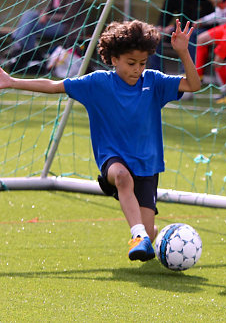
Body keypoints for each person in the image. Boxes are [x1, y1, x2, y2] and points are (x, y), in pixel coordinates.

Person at [0, 19, 201, 262]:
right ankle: (138, 236)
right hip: (112, 161)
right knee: (122, 177)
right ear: (114, 59)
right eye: (130, 63)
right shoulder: (98, 83)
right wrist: (12, 82)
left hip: (147, 167)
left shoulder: (154, 81)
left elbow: (193, 84)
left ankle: (151, 235)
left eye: (142, 63)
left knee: (149, 232)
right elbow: (53, 85)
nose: (137, 69)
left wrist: (183, 53)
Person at [7, 0, 86, 73]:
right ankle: (27, 54)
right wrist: (43, 13)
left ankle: (20, 48)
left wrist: (47, 17)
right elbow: (50, 8)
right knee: (30, 19)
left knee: (30, 17)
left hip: (67, 27)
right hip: (54, 22)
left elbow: (70, 16)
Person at [148, 0, 215, 71]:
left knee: (189, 34)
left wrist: (172, 29)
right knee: (153, 35)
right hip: (181, 30)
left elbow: (192, 20)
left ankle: (186, 75)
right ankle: (157, 72)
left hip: (201, 30)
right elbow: (165, 15)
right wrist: (161, 27)